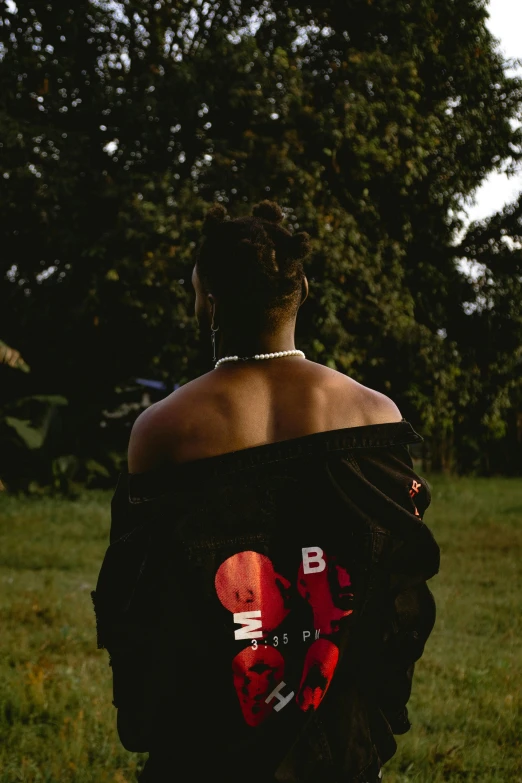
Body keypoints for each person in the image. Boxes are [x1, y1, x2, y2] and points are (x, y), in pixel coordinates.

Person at [91, 200, 440, 783]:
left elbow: (141, 603)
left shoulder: (165, 429)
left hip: (209, 743)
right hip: (339, 734)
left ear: (207, 301)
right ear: (301, 288)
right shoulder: (374, 412)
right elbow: (400, 592)